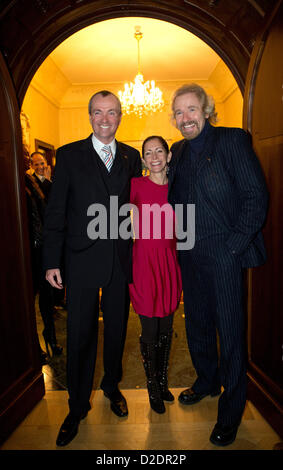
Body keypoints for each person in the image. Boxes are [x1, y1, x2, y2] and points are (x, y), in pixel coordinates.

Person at [168, 83, 268, 446]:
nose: (185, 118)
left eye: (191, 110)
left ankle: (230, 411)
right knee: (196, 324)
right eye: (178, 112)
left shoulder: (231, 141)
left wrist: (233, 247)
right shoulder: (176, 151)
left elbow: (256, 197)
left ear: (206, 110)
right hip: (189, 252)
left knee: (230, 333)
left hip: (225, 253)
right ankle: (206, 381)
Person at [43, 90, 142, 446]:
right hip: (81, 260)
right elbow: (55, 211)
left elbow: (137, 206)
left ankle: (111, 387)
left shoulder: (132, 157)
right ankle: (76, 405)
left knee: (116, 330)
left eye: (112, 113)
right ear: (89, 116)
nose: (105, 119)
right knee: (81, 334)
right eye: (98, 112)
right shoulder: (68, 155)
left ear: (120, 117)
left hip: (119, 259)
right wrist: (52, 260)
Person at [129, 136, 182, 414]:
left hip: (169, 264)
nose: (154, 156)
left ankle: (162, 383)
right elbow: (113, 213)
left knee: (165, 329)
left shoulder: (178, 186)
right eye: (148, 153)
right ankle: (152, 386)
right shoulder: (136, 185)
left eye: (159, 151)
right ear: (143, 159)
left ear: (168, 155)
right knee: (150, 330)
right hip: (145, 264)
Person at [25, 163, 63, 359]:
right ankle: (33, 344)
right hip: (27, 251)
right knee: (28, 300)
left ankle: (50, 336)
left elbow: (46, 209)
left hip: (41, 247)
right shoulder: (19, 182)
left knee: (46, 297)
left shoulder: (31, 182)